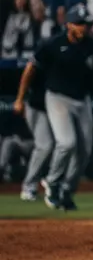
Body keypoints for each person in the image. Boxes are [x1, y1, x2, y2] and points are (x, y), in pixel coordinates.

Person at [14, 5, 93, 211]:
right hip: (57, 97)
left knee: (85, 151)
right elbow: (30, 69)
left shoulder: (91, 46)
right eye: (79, 24)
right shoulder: (53, 44)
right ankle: (52, 181)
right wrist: (20, 98)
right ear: (68, 24)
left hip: (82, 100)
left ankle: (67, 190)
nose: (83, 28)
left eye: (85, 24)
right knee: (67, 142)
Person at [16, 61, 53, 202]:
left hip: (56, 109)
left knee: (65, 144)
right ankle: (28, 186)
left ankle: (53, 181)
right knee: (45, 145)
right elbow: (28, 70)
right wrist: (19, 99)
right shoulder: (48, 52)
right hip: (37, 107)